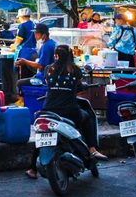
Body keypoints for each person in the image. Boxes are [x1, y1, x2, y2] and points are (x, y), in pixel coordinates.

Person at [25, 45, 107, 179]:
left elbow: (47, 83)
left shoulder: (48, 69)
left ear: (55, 55)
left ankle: (32, 169)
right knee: (87, 117)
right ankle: (92, 149)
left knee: (42, 137)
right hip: (70, 111)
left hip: (48, 110)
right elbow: (79, 84)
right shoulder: (75, 69)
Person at [16, 23, 56, 97]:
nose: (35, 36)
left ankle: (23, 103)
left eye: (37, 34)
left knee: (20, 83)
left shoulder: (45, 46)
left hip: (42, 79)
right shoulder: (52, 43)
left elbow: (41, 65)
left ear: (44, 35)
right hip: (49, 77)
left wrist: (25, 62)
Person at [11, 8, 37, 78]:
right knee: (31, 76)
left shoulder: (22, 26)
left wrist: (13, 46)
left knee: (23, 76)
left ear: (22, 17)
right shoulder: (35, 24)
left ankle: (21, 89)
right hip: (34, 53)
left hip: (24, 55)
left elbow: (19, 40)